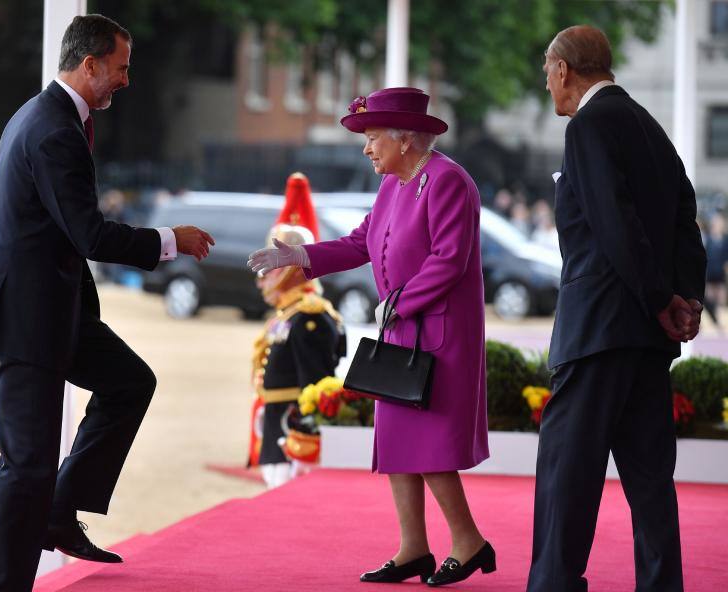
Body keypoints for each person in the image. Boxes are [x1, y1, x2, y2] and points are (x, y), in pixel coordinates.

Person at [0, 15, 214, 592]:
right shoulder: (53, 129)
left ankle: (59, 510)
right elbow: (88, 234)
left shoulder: (50, 117)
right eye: (120, 68)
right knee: (24, 465)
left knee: (128, 382)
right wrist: (172, 239)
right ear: (89, 64)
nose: (125, 79)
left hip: (55, 310)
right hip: (27, 318)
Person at [249, 87, 494, 587]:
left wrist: (399, 300)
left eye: (372, 136)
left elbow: (450, 259)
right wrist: (301, 257)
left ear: (405, 138)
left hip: (441, 336)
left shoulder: (449, 181)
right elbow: (362, 242)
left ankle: (468, 543)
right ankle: (413, 549)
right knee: (400, 442)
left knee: (432, 446)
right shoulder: (396, 183)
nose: (366, 147)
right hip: (403, 331)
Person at [528, 25, 706, 592]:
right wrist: (685, 298)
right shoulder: (651, 128)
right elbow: (685, 221)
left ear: (563, 70)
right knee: (651, 483)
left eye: (547, 75)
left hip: (598, 332)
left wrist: (660, 301)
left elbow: (613, 224)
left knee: (567, 478)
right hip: (647, 342)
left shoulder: (589, 125)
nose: (548, 87)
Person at [249, 172, 346, 488]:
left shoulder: (310, 316)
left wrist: (307, 437)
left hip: (293, 438)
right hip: (277, 428)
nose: (266, 276)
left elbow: (314, 388)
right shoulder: (289, 313)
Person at [703, 213, 728, 330]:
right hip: (709, 277)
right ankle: (711, 325)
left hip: (720, 277)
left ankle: (721, 326)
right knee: (708, 301)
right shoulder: (707, 240)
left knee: (721, 303)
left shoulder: (725, 241)